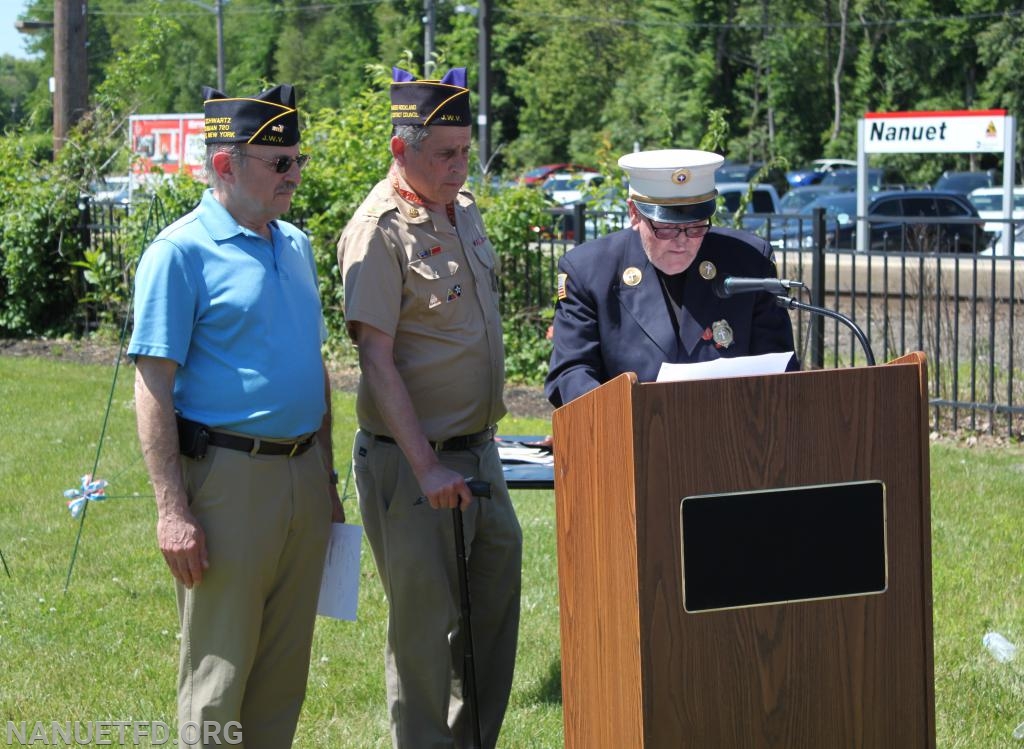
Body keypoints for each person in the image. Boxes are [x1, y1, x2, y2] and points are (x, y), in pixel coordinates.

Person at [128, 83, 343, 748]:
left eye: (298, 160)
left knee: (283, 675)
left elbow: (312, 365)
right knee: (218, 676)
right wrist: (172, 509)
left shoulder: (297, 245)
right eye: (280, 163)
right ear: (226, 165)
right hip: (227, 481)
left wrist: (329, 481)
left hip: (303, 478)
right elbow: (153, 384)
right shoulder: (179, 252)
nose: (296, 174)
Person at [337, 66, 522, 749]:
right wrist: (425, 467)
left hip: (479, 454)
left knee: (492, 615)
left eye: (465, 151)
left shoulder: (462, 207)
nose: (458, 166)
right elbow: (376, 360)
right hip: (415, 467)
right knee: (422, 635)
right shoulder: (377, 229)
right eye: (444, 153)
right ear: (400, 149)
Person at [545, 148, 799, 407]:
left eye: (696, 226)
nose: (682, 241)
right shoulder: (589, 271)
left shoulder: (748, 260)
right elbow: (571, 372)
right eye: (665, 228)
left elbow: (779, 364)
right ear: (634, 213)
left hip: (733, 433)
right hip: (631, 435)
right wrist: (617, 417)